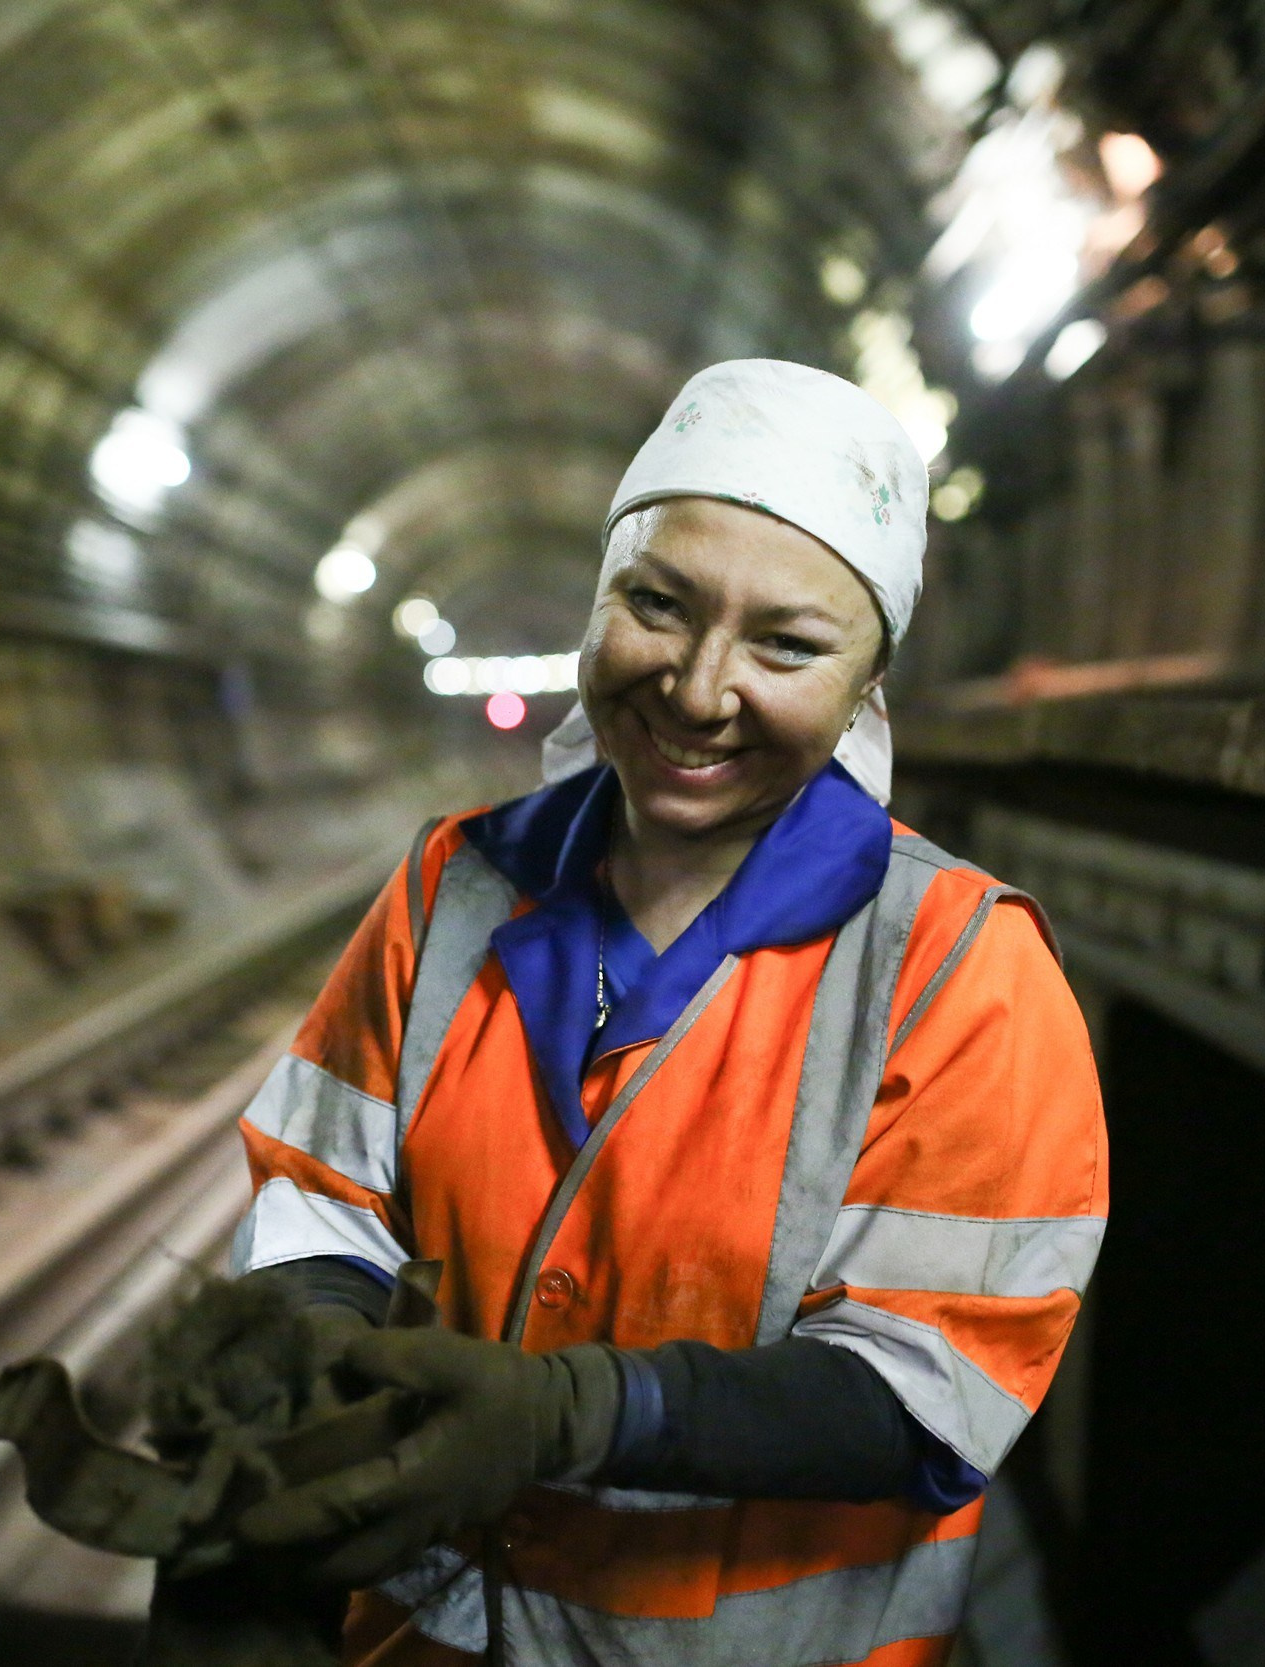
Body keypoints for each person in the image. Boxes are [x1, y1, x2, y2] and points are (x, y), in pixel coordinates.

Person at [216, 359, 1107, 1665]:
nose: (697, 689)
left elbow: (936, 1384)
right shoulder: (452, 888)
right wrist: (319, 1354)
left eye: (787, 645)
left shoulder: (960, 968)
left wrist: (580, 1412)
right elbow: (318, 1192)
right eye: (658, 606)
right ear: (600, 599)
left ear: (870, 687)